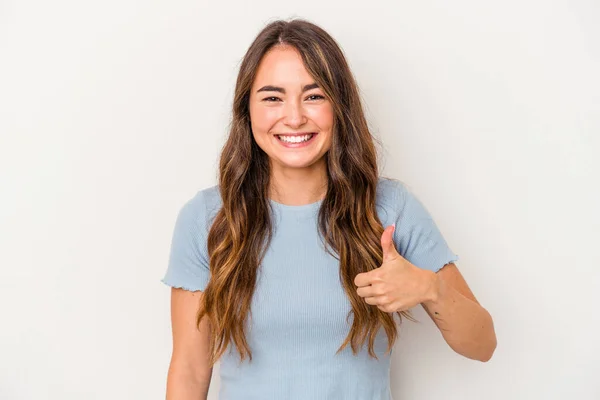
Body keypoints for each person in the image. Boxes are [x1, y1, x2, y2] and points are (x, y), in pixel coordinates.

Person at [161, 18, 496, 400]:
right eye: (272, 97)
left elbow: (482, 345)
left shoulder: (390, 208)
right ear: (247, 109)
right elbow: (189, 370)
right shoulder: (207, 218)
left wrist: (430, 288)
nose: (294, 117)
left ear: (339, 106)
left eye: (314, 95)